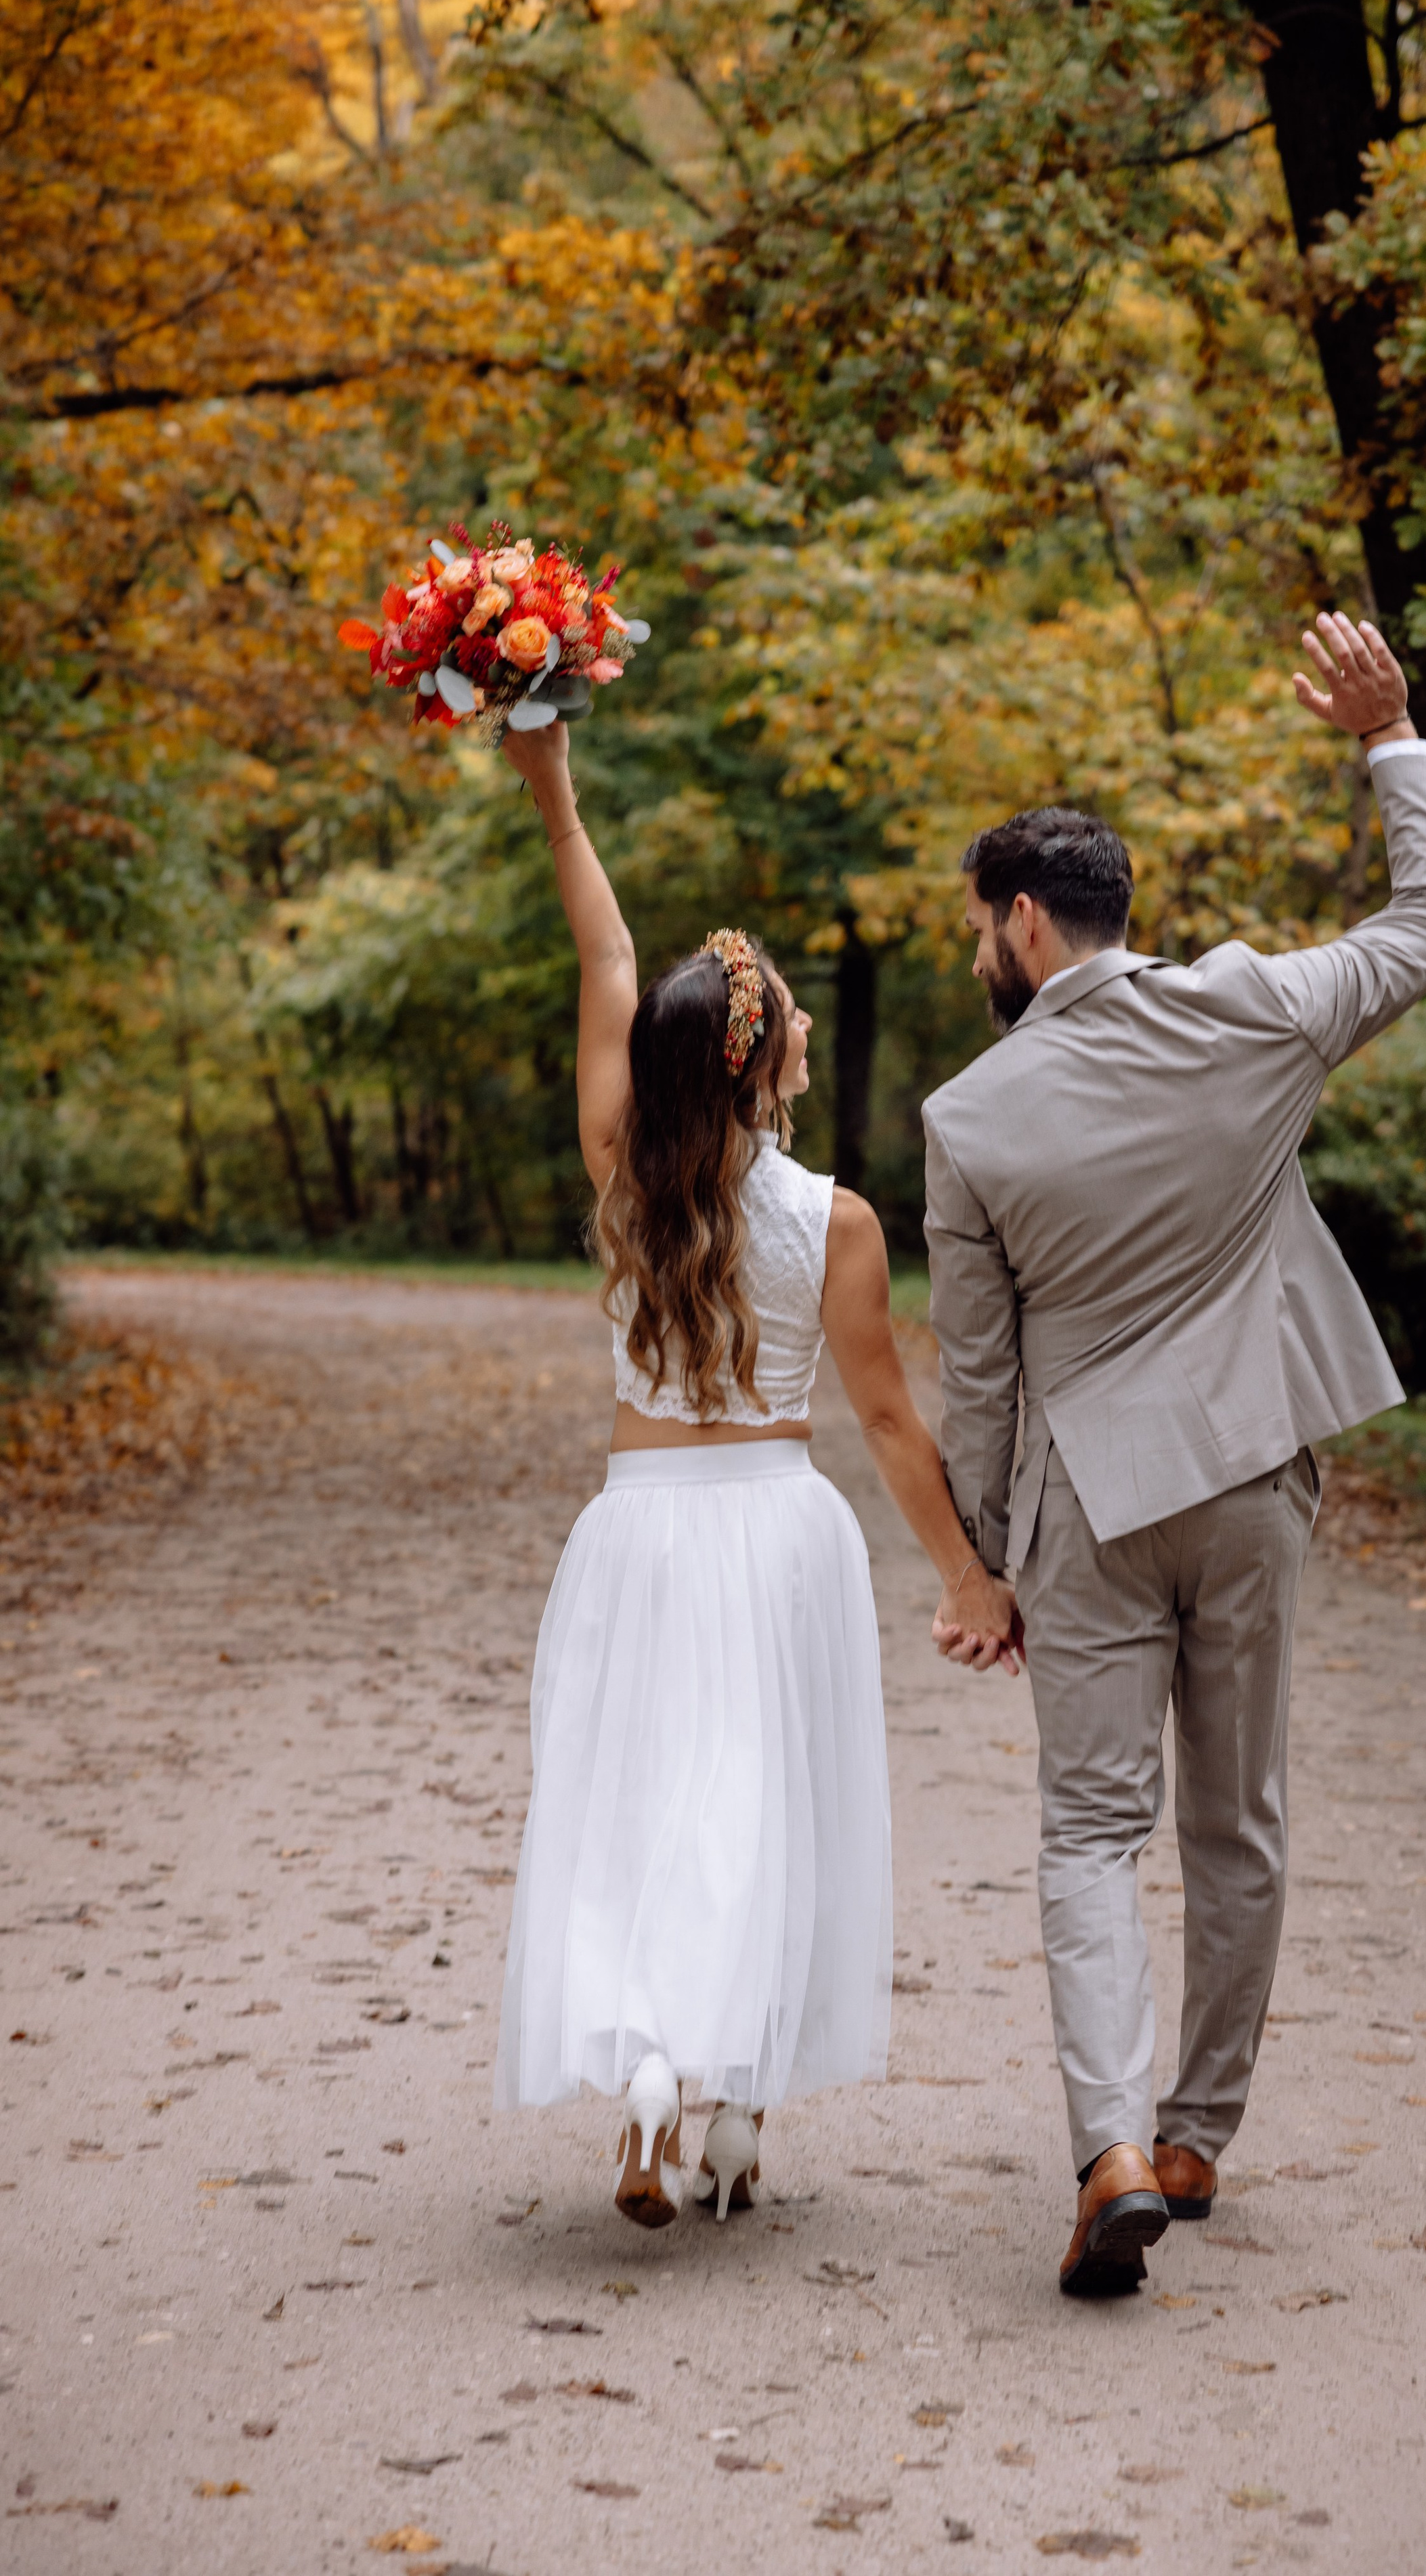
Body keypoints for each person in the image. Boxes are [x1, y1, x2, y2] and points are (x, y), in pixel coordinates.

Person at [923, 614, 1426, 2296]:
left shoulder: (969, 1116)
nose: (976, 951)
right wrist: (1390, 740)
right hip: (1250, 1485)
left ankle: (1102, 2148)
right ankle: (1191, 2137)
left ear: (1024, 921)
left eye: (977, 925)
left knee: (1089, 1834)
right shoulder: (1251, 1011)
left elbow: (978, 1373)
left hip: (1088, 1510)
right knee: (1233, 1818)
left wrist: (985, 1556)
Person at [492, 718, 1019, 2230]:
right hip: (780, 1537)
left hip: (638, 1534)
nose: (794, 1029)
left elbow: (605, 958)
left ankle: (653, 2068)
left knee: (636, 1801)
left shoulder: (620, 1166)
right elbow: (890, 1427)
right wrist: (968, 1574)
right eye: (783, 1016)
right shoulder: (836, 1222)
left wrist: (554, 789)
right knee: (761, 1806)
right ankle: (730, 2104)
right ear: (766, 1054)